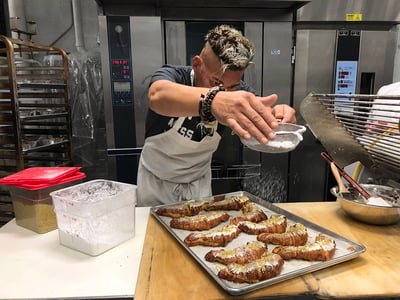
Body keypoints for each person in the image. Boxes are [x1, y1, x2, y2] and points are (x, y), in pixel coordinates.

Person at [136, 25, 296, 206]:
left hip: (199, 185)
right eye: (216, 82)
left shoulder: (239, 93)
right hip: (155, 184)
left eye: (233, 87)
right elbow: (158, 95)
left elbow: (262, 112)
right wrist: (213, 100)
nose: (226, 93)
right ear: (197, 64)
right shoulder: (174, 76)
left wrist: (278, 116)